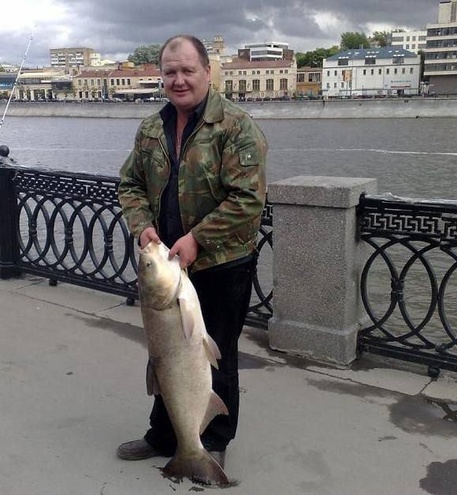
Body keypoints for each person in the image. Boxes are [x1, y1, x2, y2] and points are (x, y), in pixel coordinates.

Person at [116, 34, 267, 468]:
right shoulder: (150, 128)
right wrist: (142, 226)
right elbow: (130, 185)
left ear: (206, 72)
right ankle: (166, 435)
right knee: (164, 354)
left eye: (187, 70)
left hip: (220, 263)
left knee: (214, 352)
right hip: (164, 267)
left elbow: (248, 200)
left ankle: (212, 441)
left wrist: (198, 238)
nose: (178, 80)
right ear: (161, 76)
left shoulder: (237, 127)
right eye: (170, 72)